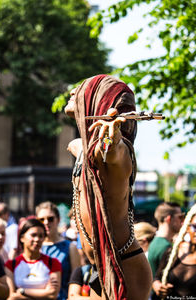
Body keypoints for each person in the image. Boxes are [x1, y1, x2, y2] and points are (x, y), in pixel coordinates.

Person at [64, 74, 152, 300]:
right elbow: (77, 146)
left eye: (82, 88)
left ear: (100, 101)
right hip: (101, 268)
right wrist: (80, 146)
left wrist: (111, 141)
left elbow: (111, 151)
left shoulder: (117, 152)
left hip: (124, 268)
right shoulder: (85, 148)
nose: (73, 92)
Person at [5, 218, 62, 300]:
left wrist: (22, 291)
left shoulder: (53, 263)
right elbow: (11, 297)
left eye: (41, 236)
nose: (37, 239)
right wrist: (43, 294)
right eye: (33, 235)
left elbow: (52, 295)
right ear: (22, 238)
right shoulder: (10, 265)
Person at [36, 201, 80, 300]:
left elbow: (77, 281)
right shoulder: (33, 246)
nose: (46, 222)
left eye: (50, 219)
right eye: (41, 220)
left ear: (58, 220)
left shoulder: (70, 247)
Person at [152, 203, 196, 299]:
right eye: (194, 227)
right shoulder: (171, 251)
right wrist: (157, 285)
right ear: (188, 227)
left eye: (182, 217)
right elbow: (156, 277)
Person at [148, 202, 184, 277]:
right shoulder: (165, 246)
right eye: (180, 217)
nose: (182, 221)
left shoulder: (156, 242)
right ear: (168, 219)